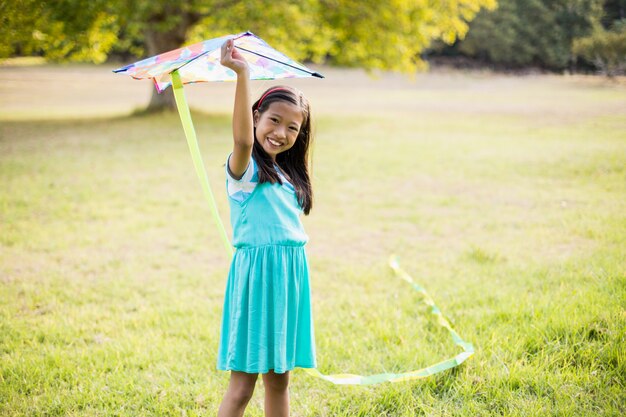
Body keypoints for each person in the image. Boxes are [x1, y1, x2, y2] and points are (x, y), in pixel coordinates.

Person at [216, 38, 317, 417]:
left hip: (288, 279)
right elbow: (242, 139)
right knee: (242, 386)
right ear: (256, 115)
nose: (281, 132)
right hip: (257, 280)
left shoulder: (287, 175)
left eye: (293, 127)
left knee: (280, 380)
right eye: (274, 120)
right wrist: (242, 74)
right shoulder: (246, 170)